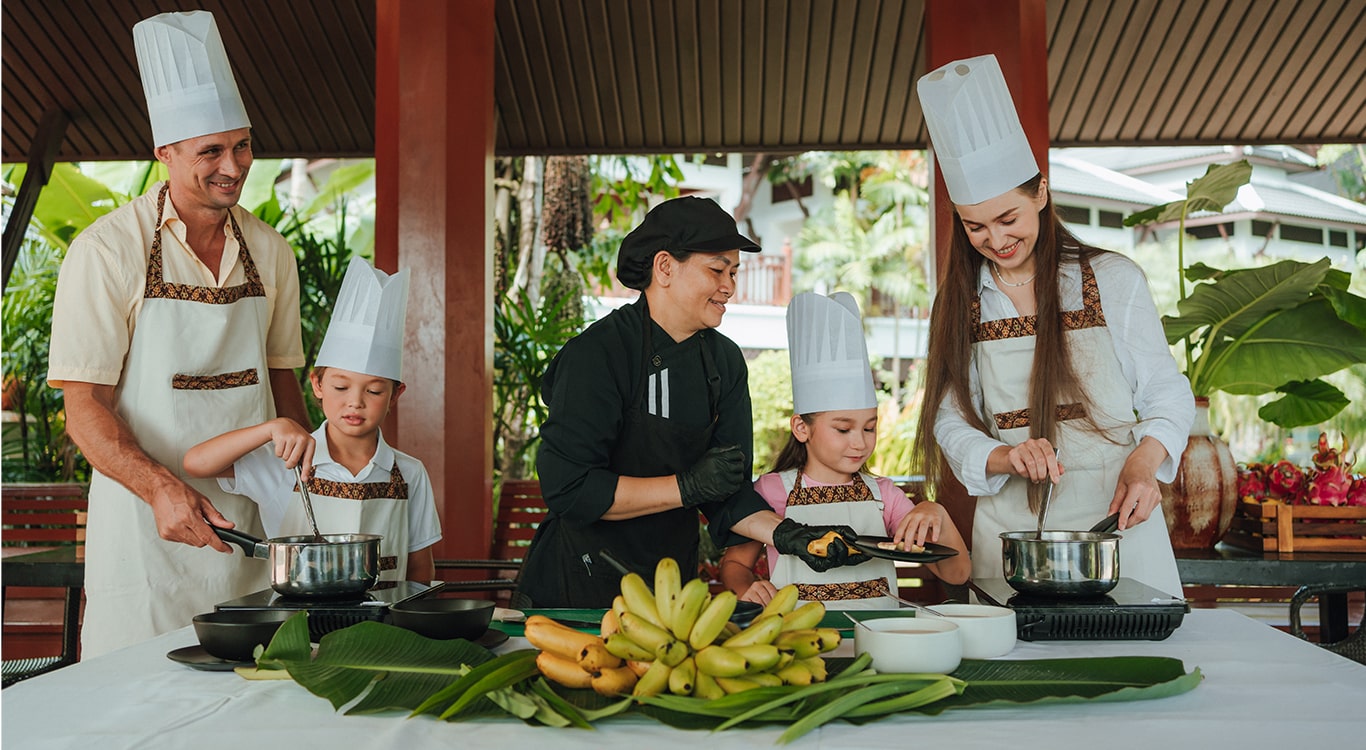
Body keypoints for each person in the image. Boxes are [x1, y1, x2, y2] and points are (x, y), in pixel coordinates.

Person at [46, 11, 309, 657]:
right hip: (146, 529)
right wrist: (162, 489)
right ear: (164, 153)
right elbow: (84, 407)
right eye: (210, 152)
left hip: (250, 528)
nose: (232, 166)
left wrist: (307, 496)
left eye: (241, 146)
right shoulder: (107, 250)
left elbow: (281, 381)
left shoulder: (271, 251)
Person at [912, 54, 1194, 596]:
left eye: (1008, 218)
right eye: (975, 226)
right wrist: (1003, 455)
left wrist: (1145, 461)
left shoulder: (1111, 279)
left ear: (1040, 193)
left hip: (1116, 521)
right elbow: (950, 422)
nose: (996, 240)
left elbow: (1166, 393)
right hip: (1013, 531)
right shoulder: (960, 303)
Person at [515, 196, 864, 608]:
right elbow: (570, 488)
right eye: (717, 270)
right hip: (579, 584)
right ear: (664, 267)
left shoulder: (724, 361)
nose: (730, 286)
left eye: (734, 272)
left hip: (671, 586)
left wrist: (792, 535)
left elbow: (726, 491)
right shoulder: (598, 354)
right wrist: (686, 487)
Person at [183, 257, 439, 584]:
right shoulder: (285, 463)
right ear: (317, 384)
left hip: (383, 629)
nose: (355, 402)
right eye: (341, 387)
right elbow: (196, 463)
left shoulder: (410, 474)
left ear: (395, 395)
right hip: (297, 625)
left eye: (374, 391)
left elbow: (419, 567)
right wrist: (270, 428)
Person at [719, 292, 970, 608]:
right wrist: (745, 585)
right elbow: (736, 564)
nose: (860, 442)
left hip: (882, 639)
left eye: (869, 427)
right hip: (802, 640)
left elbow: (957, 573)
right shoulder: (772, 491)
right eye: (842, 429)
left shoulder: (885, 496)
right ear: (801, 428)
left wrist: (938, 514)